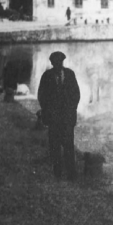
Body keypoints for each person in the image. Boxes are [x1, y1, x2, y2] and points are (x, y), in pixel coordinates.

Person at [37, 51, 81, 181]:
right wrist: (47, 113)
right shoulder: (47, 76)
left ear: (63, 62)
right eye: (55, 62)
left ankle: (71, 174)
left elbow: (76, 94)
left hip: (67, 117)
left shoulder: (70, 74)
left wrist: (72, 110)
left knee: (68, 146)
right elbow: (42, 96)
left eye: (60, 62)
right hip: (53, 118)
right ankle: (57, 173)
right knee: (55, 146)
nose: (58, 64)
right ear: (51, 63)